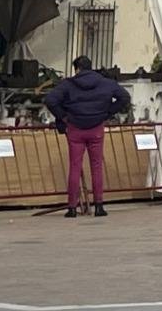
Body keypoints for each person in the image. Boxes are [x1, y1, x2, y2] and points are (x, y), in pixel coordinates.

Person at [43, 55, 129, 219]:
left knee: (75, 166)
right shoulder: (106, 83)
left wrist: (64, 116)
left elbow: (50, 99)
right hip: (96, 127)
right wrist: (107, 112)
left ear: (77, 68)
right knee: (96, 166)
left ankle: (72, 208)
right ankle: (99, 206)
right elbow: (124, 97)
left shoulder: (68, 84)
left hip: (75, 127)